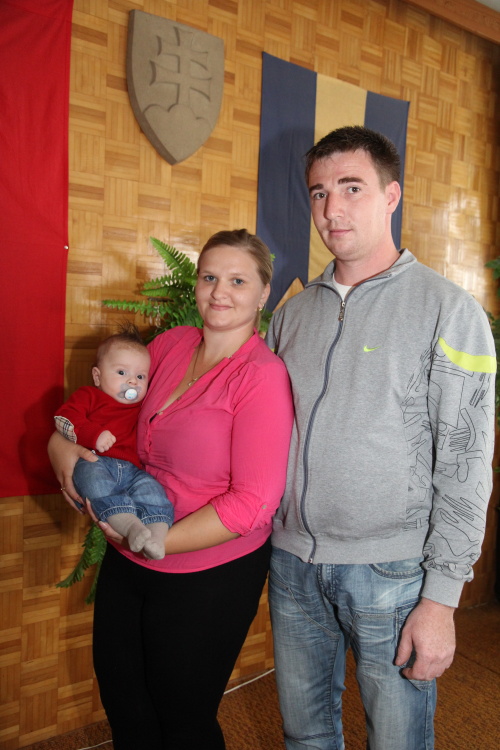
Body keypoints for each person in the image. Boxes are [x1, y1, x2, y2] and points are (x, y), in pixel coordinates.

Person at [265, 125, 496, 750]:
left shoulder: (449, 310)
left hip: (392, 572)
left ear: (391, 196)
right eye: (318, 192)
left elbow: (466, 463)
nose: (331, 209)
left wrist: (440, 600)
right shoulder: (290, 316)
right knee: (304, 737)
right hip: (292, 565)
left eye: (351, 188)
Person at [48, 228, 294, 750]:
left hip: (208, 572)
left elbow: (252, 504)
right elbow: (105, 405)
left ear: (264, 292)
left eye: (237, 280)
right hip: (129, 556)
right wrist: (60, 447)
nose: (219, 292)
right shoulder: (171, 345)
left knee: (182, 720)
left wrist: (152, 541)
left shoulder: (262, 376)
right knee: (125, 704)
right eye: (209, 277)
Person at [54, 326, 174, 560]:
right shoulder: (89, 396)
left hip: (132, 470)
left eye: (140, 376)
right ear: (97, 376)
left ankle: (156, 536)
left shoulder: (143, 406)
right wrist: (93, 434)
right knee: (94, 482)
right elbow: (64, 418)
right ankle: (129, 525)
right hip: (95, 461)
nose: (132, 381)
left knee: (151, 489)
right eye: (121, 372)